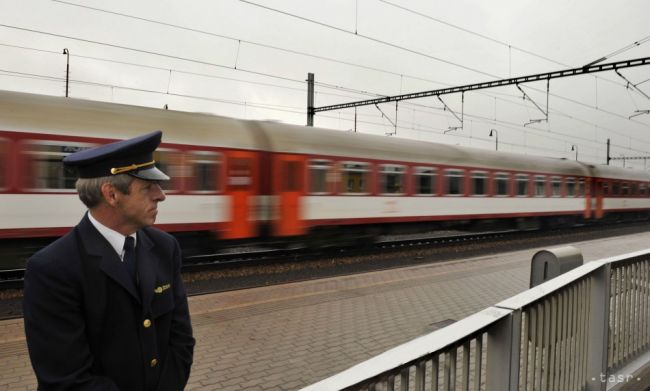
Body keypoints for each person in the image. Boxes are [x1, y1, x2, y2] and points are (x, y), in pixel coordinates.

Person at [23, 130, 195, 391]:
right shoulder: (53, 269)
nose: (161, 195)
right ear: (112, 194)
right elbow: (67, 379)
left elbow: (181, 340)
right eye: (148, 187)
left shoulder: (164, 247)